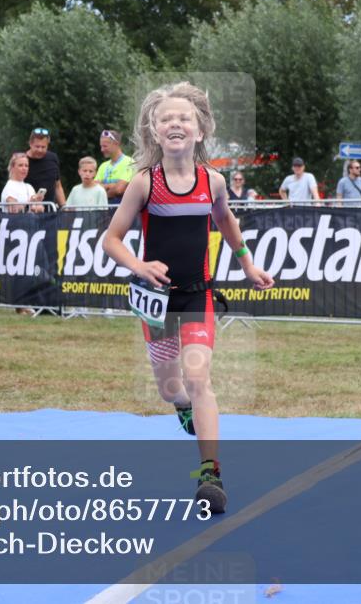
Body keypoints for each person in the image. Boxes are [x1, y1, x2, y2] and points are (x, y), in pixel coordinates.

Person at [102, 82, 275, 515]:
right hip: (156, 303)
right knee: (171, 388)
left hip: (197, 297)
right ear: (154, 133)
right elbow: (112, 240)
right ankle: (181, 407)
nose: (175, 123)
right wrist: (139, 267)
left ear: (199, 132)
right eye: (166, 119)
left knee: (200, 380)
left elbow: (226, 220)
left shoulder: (212, 181)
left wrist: (247, 265)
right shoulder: (144, 184)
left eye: (184, 118)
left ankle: (211, 474)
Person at [23, 128, 65, 207]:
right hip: (29, 212)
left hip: (51, 211)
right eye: (37, 146)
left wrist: (64, 208)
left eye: (43, 147)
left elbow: (58, 186)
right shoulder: (23, 161)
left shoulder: (53, 158)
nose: (40, 150)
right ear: (30, 144)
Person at [95, 129, 135, 204]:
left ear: (116, 144)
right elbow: (94, 189)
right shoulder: (103, 166)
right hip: (104, 211)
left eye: (105, 146)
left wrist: (103, 190)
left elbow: (119, 189)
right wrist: (111, 185)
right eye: (101, 146)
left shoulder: (129, 163)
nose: (102, 149)